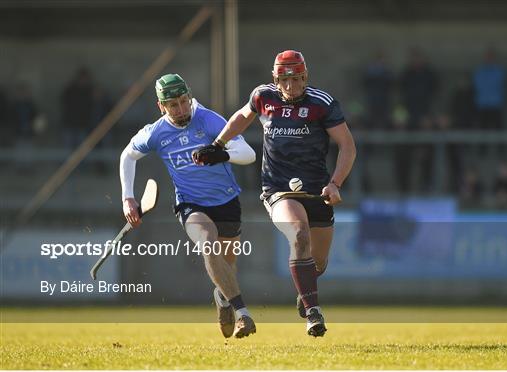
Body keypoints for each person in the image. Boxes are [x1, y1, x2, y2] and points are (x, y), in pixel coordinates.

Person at [193, 50, 356, 337]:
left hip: (318, 190)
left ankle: (303, 290)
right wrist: (219, 144)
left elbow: (347, 145)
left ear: (305, 76)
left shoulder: (322, 103)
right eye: (284, 79)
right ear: (275, 79)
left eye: (296, 79)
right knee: (299, 233)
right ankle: (313, 313)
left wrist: (336, 183)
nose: (291, 86)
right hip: (279, 188)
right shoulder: (262, 96)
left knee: (317, 263)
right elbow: (242, 117)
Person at [120, 73, 257, 339]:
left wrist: (222, 153)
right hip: (190, 204)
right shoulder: (156, 132)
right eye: (173, 105)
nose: (181, 109)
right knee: (208, 243)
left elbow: (249, 154)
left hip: (226, 202)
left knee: (227, 267)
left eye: (184, 101)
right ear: (161, 106)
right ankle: (244, 314)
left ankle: (224, 299)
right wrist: (128, 197)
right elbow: (128, 155)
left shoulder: (209, 120)